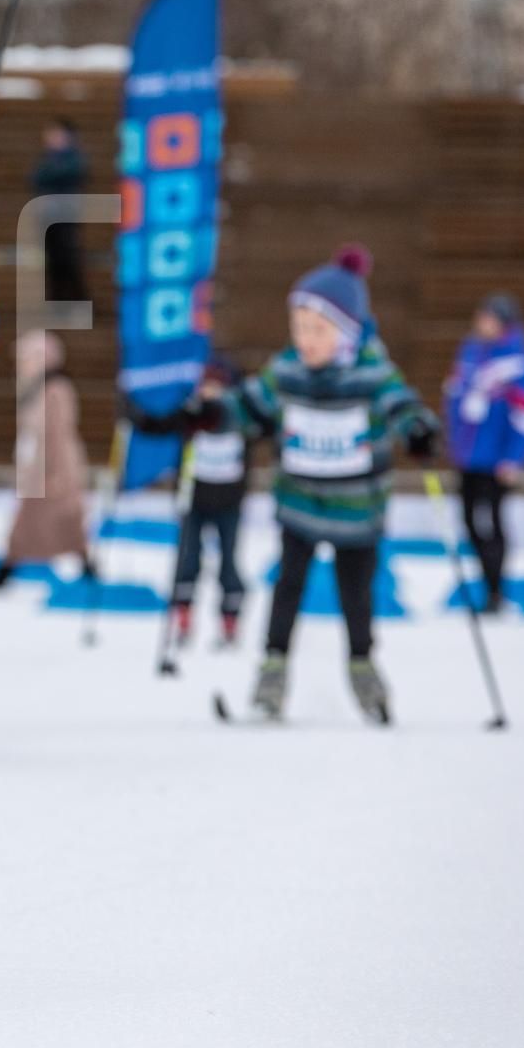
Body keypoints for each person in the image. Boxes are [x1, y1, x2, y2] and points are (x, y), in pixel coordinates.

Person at [137, 257, 437, 721]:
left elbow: (401, 404)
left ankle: (363, 671)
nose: (306, 340)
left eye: (318, 329)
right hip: (298, 502)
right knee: (288, 587)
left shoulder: (371, 374)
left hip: (357, 511)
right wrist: (211, 415)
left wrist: (417, 430)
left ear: (349, 331)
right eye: (299, 328)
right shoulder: (288, 371)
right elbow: (250, 406)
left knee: (356, 594)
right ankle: (272, 676)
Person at [444, 293, 524, 614]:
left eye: (489, 317)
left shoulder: (517, 363)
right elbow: (455, 401)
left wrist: (514, 458)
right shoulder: (470, 353)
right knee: (469, 519)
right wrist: (454, 441)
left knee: (492, 522)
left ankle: (495, 591)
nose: (482, 322)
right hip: (468, 456)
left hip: (497, 461)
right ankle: (484, 582)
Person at [0, 331, 91, 590]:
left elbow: (57, 434)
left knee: (61, 520)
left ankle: (6, 570)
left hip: (54, 471)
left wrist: (54, 473)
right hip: (40, 470)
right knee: (42, 521)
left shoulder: (56, 390)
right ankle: (7, 568)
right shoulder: (39, 389)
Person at [165, 352, 250, 647]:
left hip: (228, 502)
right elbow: (164, 427)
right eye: (205, 386)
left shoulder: (236, 416)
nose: (209, 393)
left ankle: (230, 619)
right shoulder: (192, 415)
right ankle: (183, 616)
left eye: (216, 387)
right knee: (188, 559)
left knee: (229, 562)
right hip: (195, 501)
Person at [30, 117, 88, 305]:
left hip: (66, 216)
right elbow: (35, 178)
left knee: (68, 259)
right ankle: (57, 299)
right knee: (53, 259)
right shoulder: (48, 159)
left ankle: (78, 299)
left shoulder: (73, 158)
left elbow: (65, 174)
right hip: (49, 217)